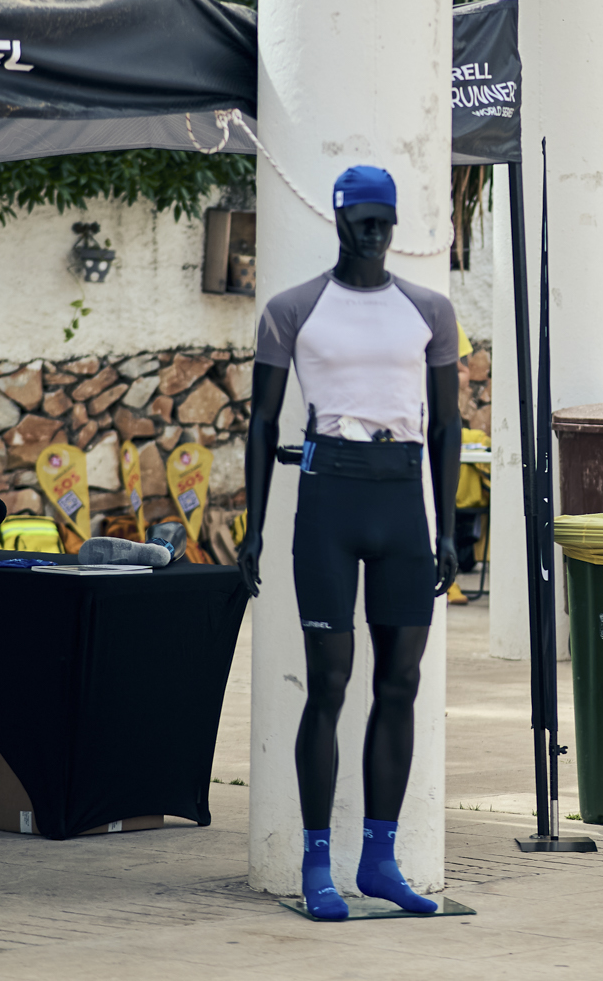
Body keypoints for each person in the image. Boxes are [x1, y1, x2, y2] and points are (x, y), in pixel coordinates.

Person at [238, 165, 462, 920]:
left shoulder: (428, 311)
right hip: (328, 502)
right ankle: (315, 864)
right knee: (329, 683)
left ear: (394, 223)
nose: (373, 230)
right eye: (361, 218)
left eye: (383, 219)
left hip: (402, 505)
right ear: (337, 220)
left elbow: (447, 426)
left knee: (400, 683)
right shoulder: (292, 310)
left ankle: (380, 860)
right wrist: (253, 529)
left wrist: (448, 529)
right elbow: (262, 422)